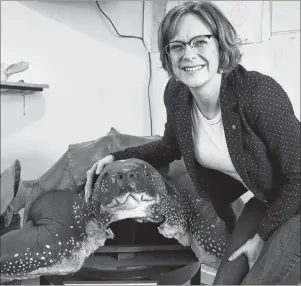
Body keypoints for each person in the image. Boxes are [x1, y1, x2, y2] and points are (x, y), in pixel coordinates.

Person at [85, 1, 300, 284]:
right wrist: (115, 158)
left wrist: (261, 237)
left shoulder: (257, 92)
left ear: (221, 44)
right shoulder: (177, 94)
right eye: (177, 45)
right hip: (268, 200)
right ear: (168, 54)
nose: (188, 54)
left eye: (200, 41)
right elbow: (169, 147)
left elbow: (299, 174)